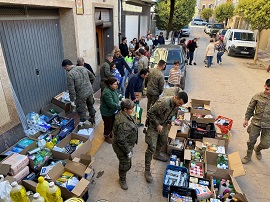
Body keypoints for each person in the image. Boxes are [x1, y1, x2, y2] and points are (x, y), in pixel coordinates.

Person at [144, 92, 188, 183]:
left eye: (181, 104)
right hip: (153, 125)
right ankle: (147, 170)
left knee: (164, 140)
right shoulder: (163, 103)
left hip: (163, 124)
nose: (180, 105)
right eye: (179, 103)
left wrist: (173, 121)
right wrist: (157, 125)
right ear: (175, 97)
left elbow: (173, 113)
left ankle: (157, 154)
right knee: (151, 147)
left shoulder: (176, 104)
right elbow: (150, 113)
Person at [242, 79, 270, 164]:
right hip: (256, 123)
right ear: (264, 86)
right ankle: (248, 155)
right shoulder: (257, 96)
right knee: (251, 141)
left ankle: (257, 149)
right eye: (267, 89)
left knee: (266, 144)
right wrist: (246, 119)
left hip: (268, 126)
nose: (268, 91)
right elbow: (250, 108)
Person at [112, 99, 138, 190]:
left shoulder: (124, 115)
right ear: (125, 109)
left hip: (126, 144)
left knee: (127, 162)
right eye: (131, 109)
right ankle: (122, 179)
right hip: (121, 146)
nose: (133, 110)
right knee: (125, 164)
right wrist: (127, 151)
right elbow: (121, 140)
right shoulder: (123, 123)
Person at [62, 59, 96, 125]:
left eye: (65, 68)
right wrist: (88, 85)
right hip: (89, 92)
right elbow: (93, 78)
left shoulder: (70, 74)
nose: (65, 70)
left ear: (67, 66)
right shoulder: (82, 68)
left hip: (80, 95)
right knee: (91, 106)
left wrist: (72, 100)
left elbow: (71, 89)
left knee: (81, 110)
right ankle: (93, 119)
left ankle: (83, 125)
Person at [100, 77, 121, 144]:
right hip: (107, 112)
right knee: (108, 124)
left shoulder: (113, 89)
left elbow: (116, 96)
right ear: (110, 84)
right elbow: (111, 104)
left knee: (112, 123)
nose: (116, 85)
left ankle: (110, 133)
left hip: (112, 111)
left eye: (116, 84)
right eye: (114, 84)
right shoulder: (106, 92)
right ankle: (106, 137)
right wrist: (120, 107)